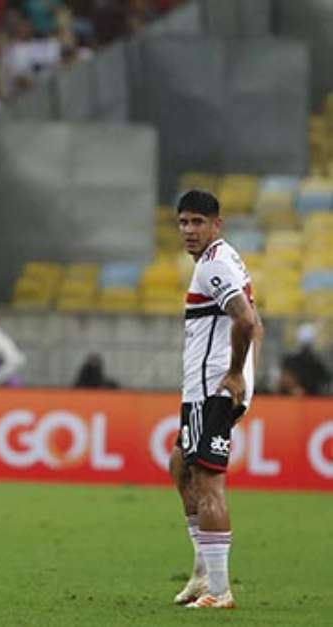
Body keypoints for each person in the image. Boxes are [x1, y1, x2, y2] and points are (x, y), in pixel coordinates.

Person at [168, 190, 263, 609]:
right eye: (183, 222)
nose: (189, 230)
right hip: (202, 388)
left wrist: (236, 374)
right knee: (180, 466)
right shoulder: (218, 260)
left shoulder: (215, 264)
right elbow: (253, 324)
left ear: (216, 224)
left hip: (214, 388)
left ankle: (220, 591)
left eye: (197, 222)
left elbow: (245, 320)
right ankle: (203, 571)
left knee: (207, 481)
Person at [277, 323, 331, 396]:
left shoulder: (316, 363)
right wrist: (293, 389)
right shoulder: (291, 361)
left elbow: (325, 381)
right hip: (294, 400)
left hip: (311, 400)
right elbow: (283, 381)